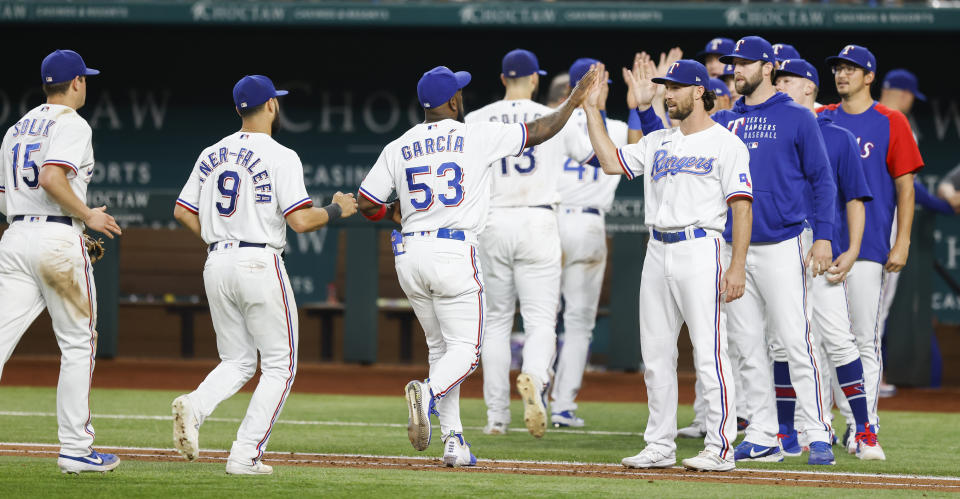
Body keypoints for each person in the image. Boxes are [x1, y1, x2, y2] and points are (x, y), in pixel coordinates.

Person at [357, 65, 598, 464]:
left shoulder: (398, 145)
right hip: (453, 252)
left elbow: (367, 202)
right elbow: (539, 131)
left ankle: (455, 443)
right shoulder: (474, 135)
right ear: (452, 101)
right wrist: (573, 101)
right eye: (459, 93)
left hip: (410, 254)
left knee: (441, 349)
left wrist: (394, 211)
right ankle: (428, 394)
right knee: (467, 351)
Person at [637, 36, 838, 465]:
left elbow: (822, 179)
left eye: (745, 64)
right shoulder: (725, 120)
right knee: (745, 346)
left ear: (768, 68)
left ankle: (818, 430)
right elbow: (667, 146)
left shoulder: (798, 117)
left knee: (796, 340)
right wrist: (643, 109)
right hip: (732, 248)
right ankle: (763, 431)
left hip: (783, 241)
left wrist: (824, 236)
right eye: (733, 64)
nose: (736, 71)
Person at [170, 75, 358, 475]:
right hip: (258, 261)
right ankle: (245, 455)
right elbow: (302, 221)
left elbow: (182, 211)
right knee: (280, 366)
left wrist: (221, 236)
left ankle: (196, 405)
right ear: (271, 105)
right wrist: (339, 208)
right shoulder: (280, 154)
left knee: (237, 360)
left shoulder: (211, 153)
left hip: (217, 261)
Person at [585, 59, 751, 472]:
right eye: (666, 87)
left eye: (675, 87)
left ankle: (721, 447)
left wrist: (738, 265)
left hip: (702, 247)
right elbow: (609, 162)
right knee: (656, 355)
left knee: (710, 354)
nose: (668, 93)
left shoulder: (725, 142)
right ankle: (660, 444)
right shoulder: (658, 141)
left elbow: (742, 207)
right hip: (657, 249)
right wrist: (591, 111)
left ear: (699, 92)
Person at [466, 50, 603, 438]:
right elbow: (592, 156)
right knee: (542, 319)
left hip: (492, 220)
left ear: (502, 77)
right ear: (535, 79)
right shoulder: (552, 114)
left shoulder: (476, 120)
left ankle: (496, 418)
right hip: (539, 219)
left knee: (495, 324)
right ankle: (536, 378)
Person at [0, 49, 123, 474]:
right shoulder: (71, 123)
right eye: (83, 78)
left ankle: (76, 449)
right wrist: (85, 216)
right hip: (55, 238)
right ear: (76, 83)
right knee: (76, 345)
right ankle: (75, 450)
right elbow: (53, 178)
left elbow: (4, 196)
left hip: (14, 235)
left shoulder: (15, 129)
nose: (84, 84)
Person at [774, 58, 884, 460]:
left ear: (808, 87)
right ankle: (786, 432)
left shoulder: (836, 136)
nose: (778, 85)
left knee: (839, 339)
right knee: (781, 343)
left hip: (821, 246)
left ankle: (865, 429)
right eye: (776, 79)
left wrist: (852, 249)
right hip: (778, 245)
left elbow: (856, 198)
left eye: (786, 80)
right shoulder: (771, 132)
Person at [818, 45, 924, 453]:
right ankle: (822, 423)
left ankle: (865, 425)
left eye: (851, 69)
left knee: (864, 338)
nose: (842, 74)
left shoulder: (891, 121)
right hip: (826, 247)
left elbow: (905, 186)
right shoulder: (821, 116)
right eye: (838, 68)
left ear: (869, 77)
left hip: (870, 245)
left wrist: (903, 240)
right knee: (825, 339)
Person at [549, 58, 631, 428]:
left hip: (548, 222)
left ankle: (537, 385)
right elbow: (642, 150)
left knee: (542, 317)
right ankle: (562, 405)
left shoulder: (552, 121)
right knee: (578, 322)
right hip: (586, 225)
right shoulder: (615, 126)